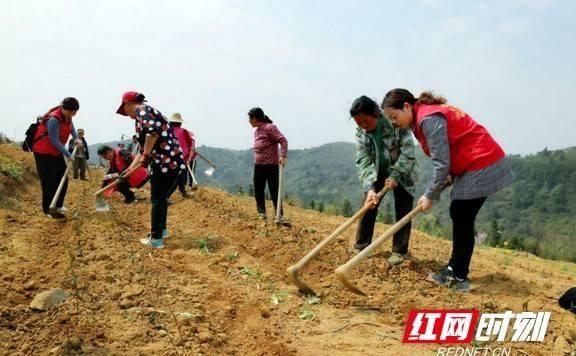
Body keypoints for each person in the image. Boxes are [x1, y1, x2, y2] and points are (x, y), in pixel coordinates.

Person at [382, 89, 514, 292]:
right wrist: (439, 186)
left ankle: (458, 275)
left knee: (461, 213)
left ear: (406, 107)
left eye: (394, 116)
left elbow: (441, 164)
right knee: (461, 213)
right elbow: (448, 160)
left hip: (482, 161)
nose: (393, 122)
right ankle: (456, 268)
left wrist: (430, 194)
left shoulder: (428, 119)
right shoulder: (423, 117)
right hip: (475, 162)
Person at [350, 96, 418, 266]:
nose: (363, 125)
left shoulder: (395, 122)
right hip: (376, 172)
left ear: (376, 114)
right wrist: (370, 187)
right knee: (368, 204)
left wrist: (396, 174)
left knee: (403, 208)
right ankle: (361, 245)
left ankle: (399, 251)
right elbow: (363, 160)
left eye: (365, 120)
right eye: (359, 123)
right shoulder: (361, 134)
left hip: (403, 171)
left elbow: (408, 152)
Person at [116, 91, 185, 249]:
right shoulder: (146, 114)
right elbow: (142, 151)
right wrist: (128, 171)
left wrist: (147, 154)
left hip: (165, 162)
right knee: (160, 198)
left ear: (128, 104)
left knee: (157, 198)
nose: (126, 114)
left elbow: (152, 134)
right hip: (169, 161)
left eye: (124, 109)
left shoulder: (142, 111)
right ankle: (162, 231)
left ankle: (156, 239)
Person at [31, 97, 82, 219]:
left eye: (75, 112)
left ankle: (58, 204)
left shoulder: (68, 116)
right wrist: (68, 154)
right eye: (71, 112)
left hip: (55, 152)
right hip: (43, 152)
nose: (73, 114)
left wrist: (76, 138)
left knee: (62, 178)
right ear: (63, 109)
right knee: (49, 181)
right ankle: (47, 209)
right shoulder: (54, 119)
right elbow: (54, 140)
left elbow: (71, 127)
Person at [248, 107, 288, 221]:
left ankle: (279, 214)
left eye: (250, 118)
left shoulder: (270, 128)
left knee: (274, 190)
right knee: (258, 189)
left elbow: (283, 140)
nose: (249, 121)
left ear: (254, 118)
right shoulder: (256, 131)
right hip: (259, 165)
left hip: (271, 165)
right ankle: (261, 212)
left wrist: (283, 156)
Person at [168, 113, 196, 198]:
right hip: (180, 157)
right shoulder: (184, 131)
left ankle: (183, 192)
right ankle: (166, 196)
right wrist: (189, 158)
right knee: (179, 176)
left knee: (179, 175)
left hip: (168, 156)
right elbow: (191, 147)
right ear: (180, 123)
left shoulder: (167, 131)